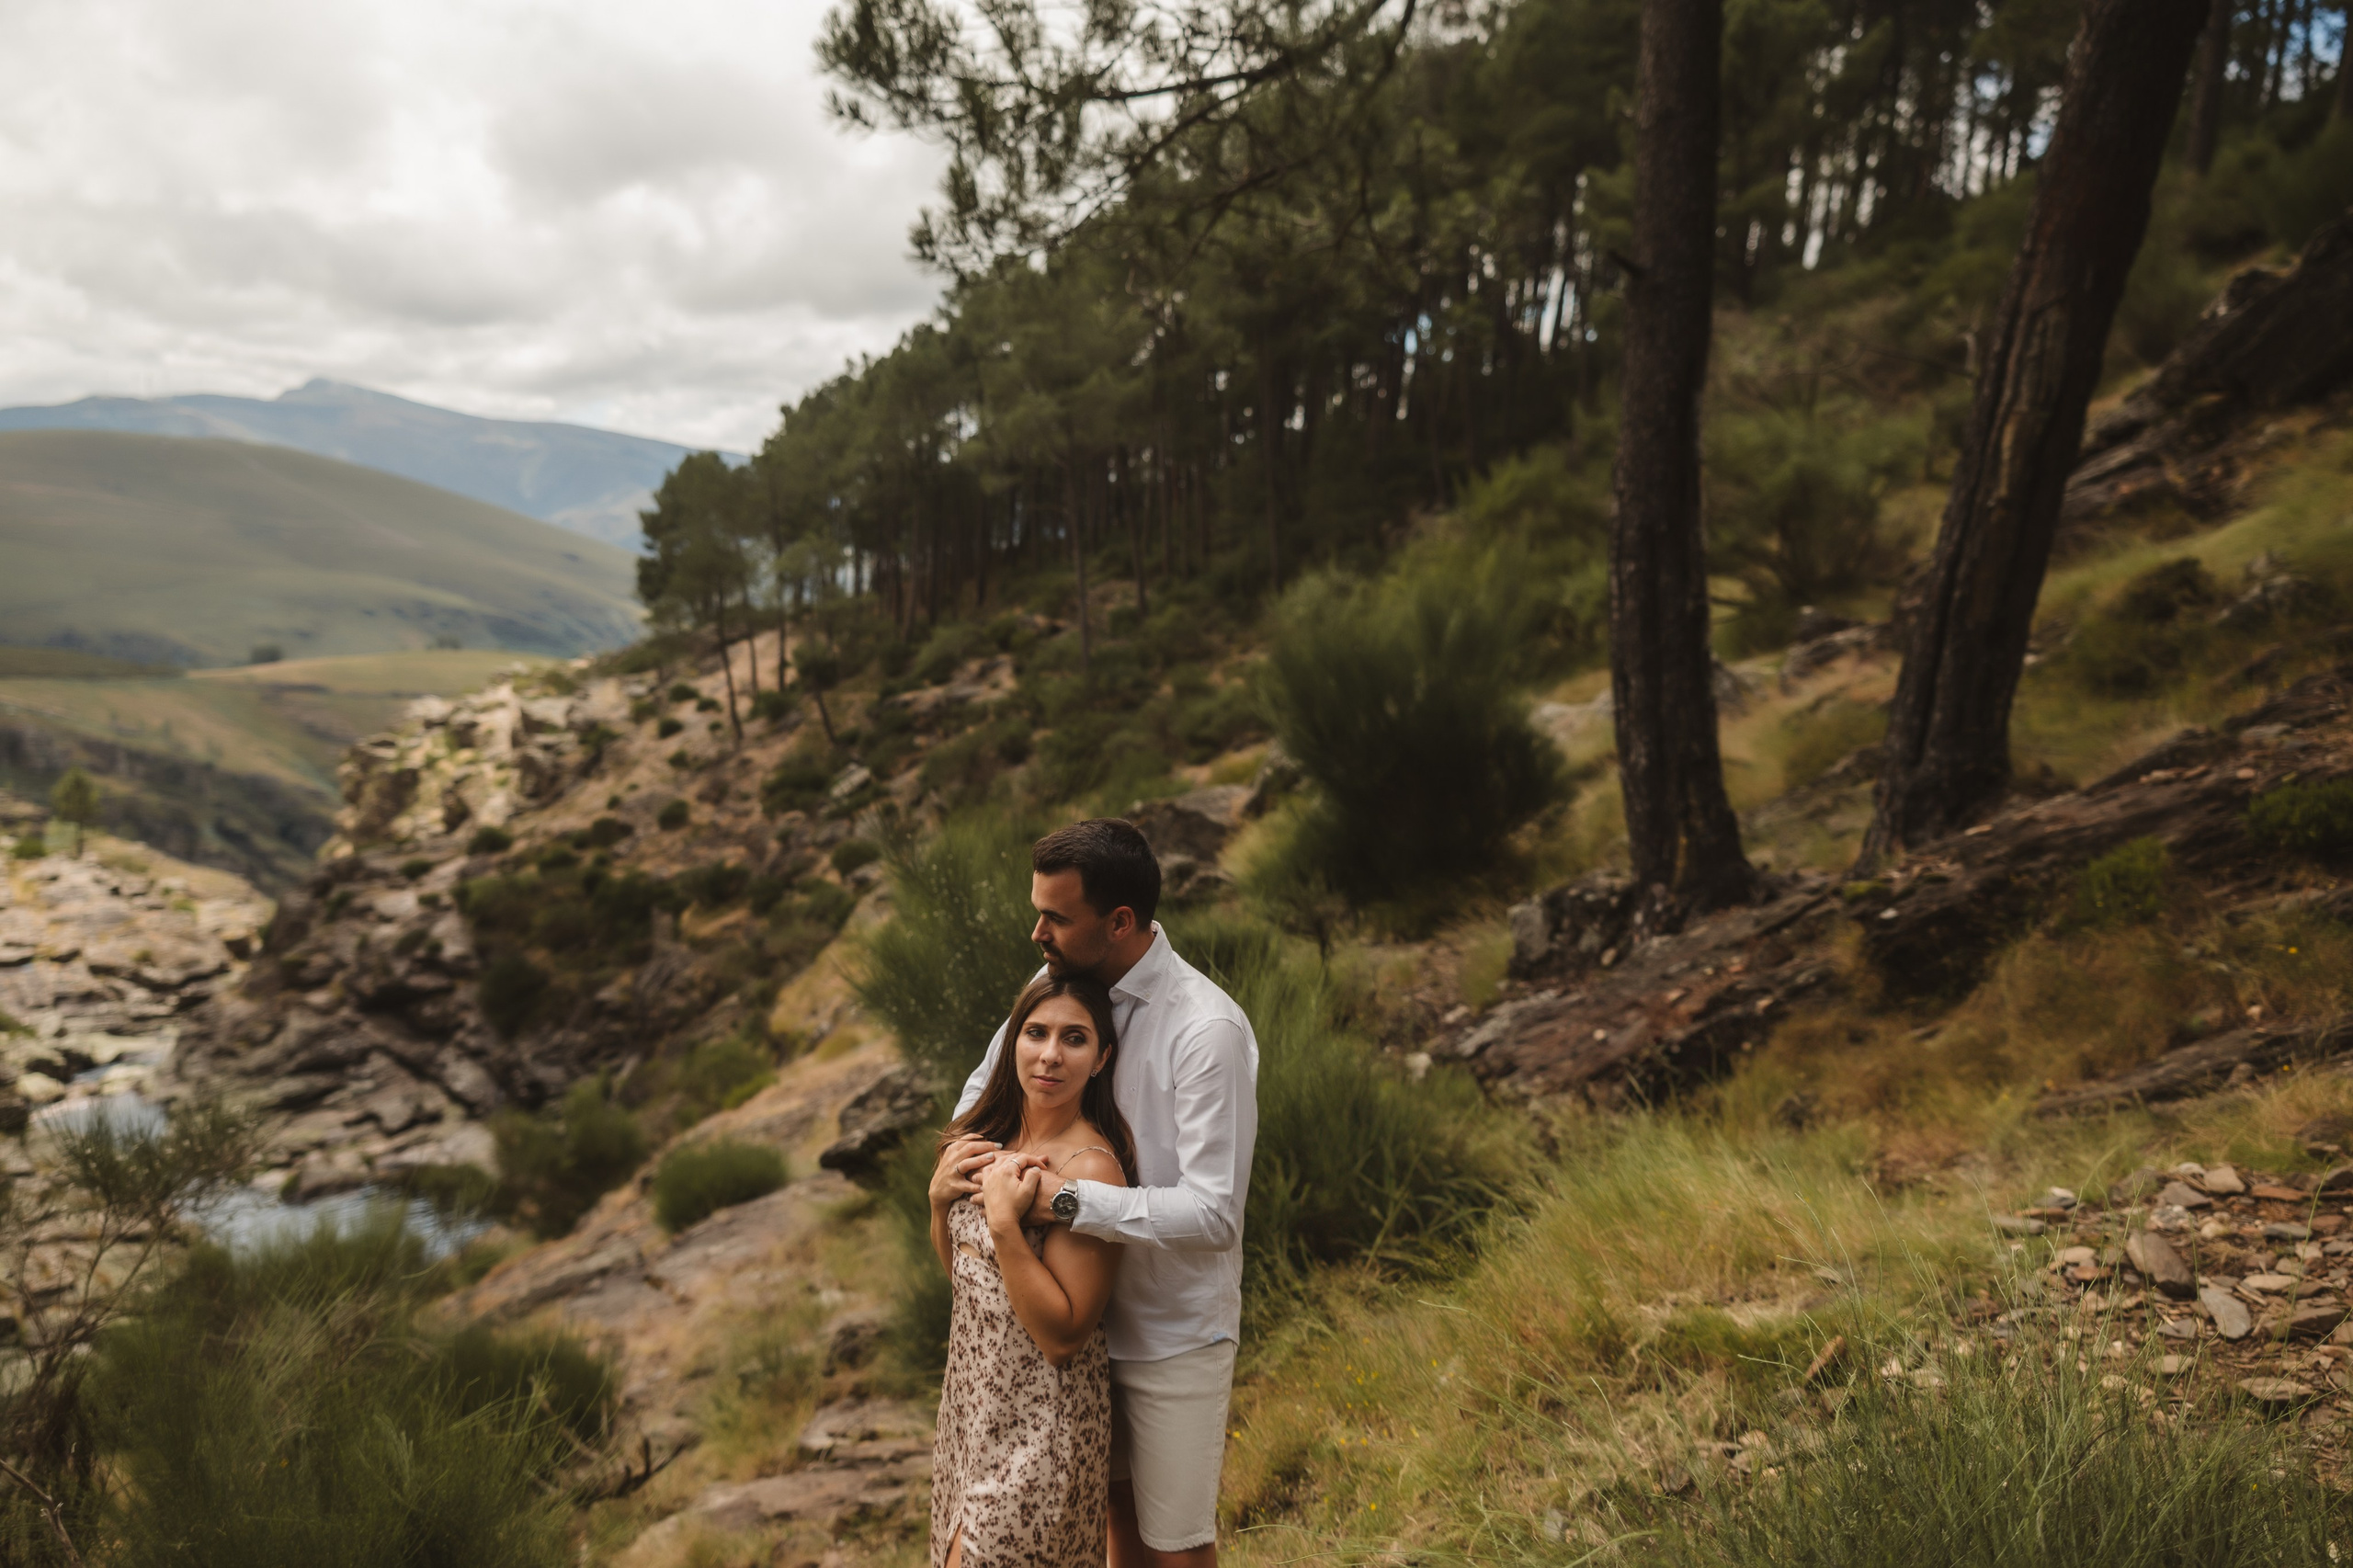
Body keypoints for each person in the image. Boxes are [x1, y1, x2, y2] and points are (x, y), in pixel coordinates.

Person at [936, 819, 1259, 1568]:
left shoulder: (1205, 1029)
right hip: (1058, 1332)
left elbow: (1215, 1213)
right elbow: (975, 1110)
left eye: (1056, 917)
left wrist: (1067, 1200)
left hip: (1168, 1333)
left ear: (1117, 922)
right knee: (1113, 1533)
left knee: (1175, 1548)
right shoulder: (1050, 998)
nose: (1036, 931)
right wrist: (960, 1175)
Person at [929, 971, 1135, 1568]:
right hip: (971, 1409)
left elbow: (1064, 1336)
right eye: (1036, 1033)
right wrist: (938, 1202)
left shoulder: (1091, 1172)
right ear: (1012, 1041)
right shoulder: (979, 1139)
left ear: (1101, 1059)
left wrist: (1004, 1227)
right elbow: (966, 1282)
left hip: (1043, 1422)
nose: (1050, 1054)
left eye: (1074, 1039)